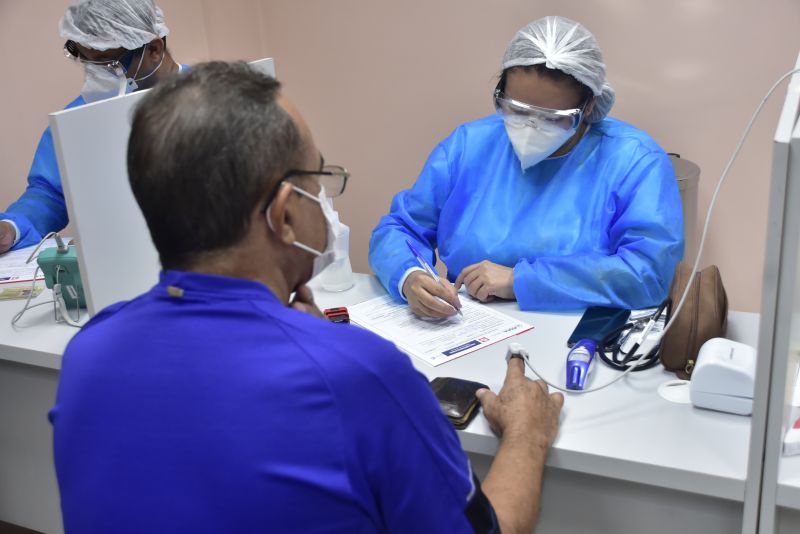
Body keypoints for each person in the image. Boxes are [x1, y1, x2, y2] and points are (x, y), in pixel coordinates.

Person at [49, 62, 564, 533]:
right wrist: (527, 434)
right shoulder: (360, 375)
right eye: (318, 179)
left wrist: (309, 341)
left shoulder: (89, 353)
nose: (325, 196)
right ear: (285, 213)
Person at [369, 16, 684, 318]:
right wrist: (409, 276)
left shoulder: (635, 161)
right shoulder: (469, 146)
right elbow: (400, 228)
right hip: (465, 325)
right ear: (500, 92)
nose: (531, 127)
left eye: (553, 117)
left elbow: (648, 273)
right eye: (517, 110)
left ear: (588, 106)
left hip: (579, 336)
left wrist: (520, 281)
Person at [0, 0, 182, 253]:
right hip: (120, 265)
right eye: (86, 62)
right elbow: (50, 193)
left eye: (106, 63)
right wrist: (11, 227)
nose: (94, 75)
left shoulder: (216, 97)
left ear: (153, 49)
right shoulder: (77, 120)